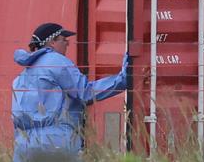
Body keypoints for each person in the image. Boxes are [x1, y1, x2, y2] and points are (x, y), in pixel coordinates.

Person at [12, 22, 128, 161]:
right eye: (64, 39)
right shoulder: (56, 61)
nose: (67, 43)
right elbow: (85, 93)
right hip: (55, 142)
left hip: (23, 146)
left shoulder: (21, 76)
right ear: (52, 42)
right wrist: (124, 79)